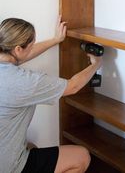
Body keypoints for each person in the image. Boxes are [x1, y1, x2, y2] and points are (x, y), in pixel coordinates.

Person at [0, 16, 102, 173]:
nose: (33, 48)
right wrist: (96, 64)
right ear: (18, 49)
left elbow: (20, 57)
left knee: (31, 146)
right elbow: (73, 87)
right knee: (81, 156)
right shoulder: (23, 81)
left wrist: (56, 39)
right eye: (31, 45)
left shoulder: (6, 60)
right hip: (8, 166)